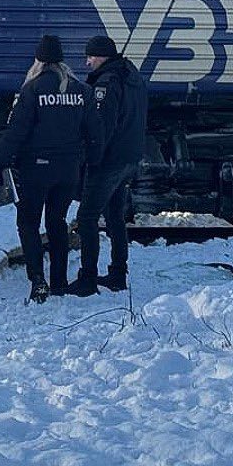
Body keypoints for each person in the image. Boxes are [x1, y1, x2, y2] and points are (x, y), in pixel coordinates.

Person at [0, 35, 102, 303]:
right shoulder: (82, 91)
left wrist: (0, 161)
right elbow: (94, 132)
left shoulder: (32, 90)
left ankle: (38, 281)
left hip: (36, 169)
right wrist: (92, 162)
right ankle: (59, 281)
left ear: (38, 61)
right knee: (57, 222)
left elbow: (17, 131)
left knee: (28, 223)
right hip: (68, 170)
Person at [69, 34, 148, 296]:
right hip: (128, 158)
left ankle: (88, 279)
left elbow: (102, 127)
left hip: (109, 161)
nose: (87, 62)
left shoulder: (107, 83)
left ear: (102, 56)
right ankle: (117, 274)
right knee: (115, 216)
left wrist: (89, 158)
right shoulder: (131, 76)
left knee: (87, 217)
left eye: (90, 56)